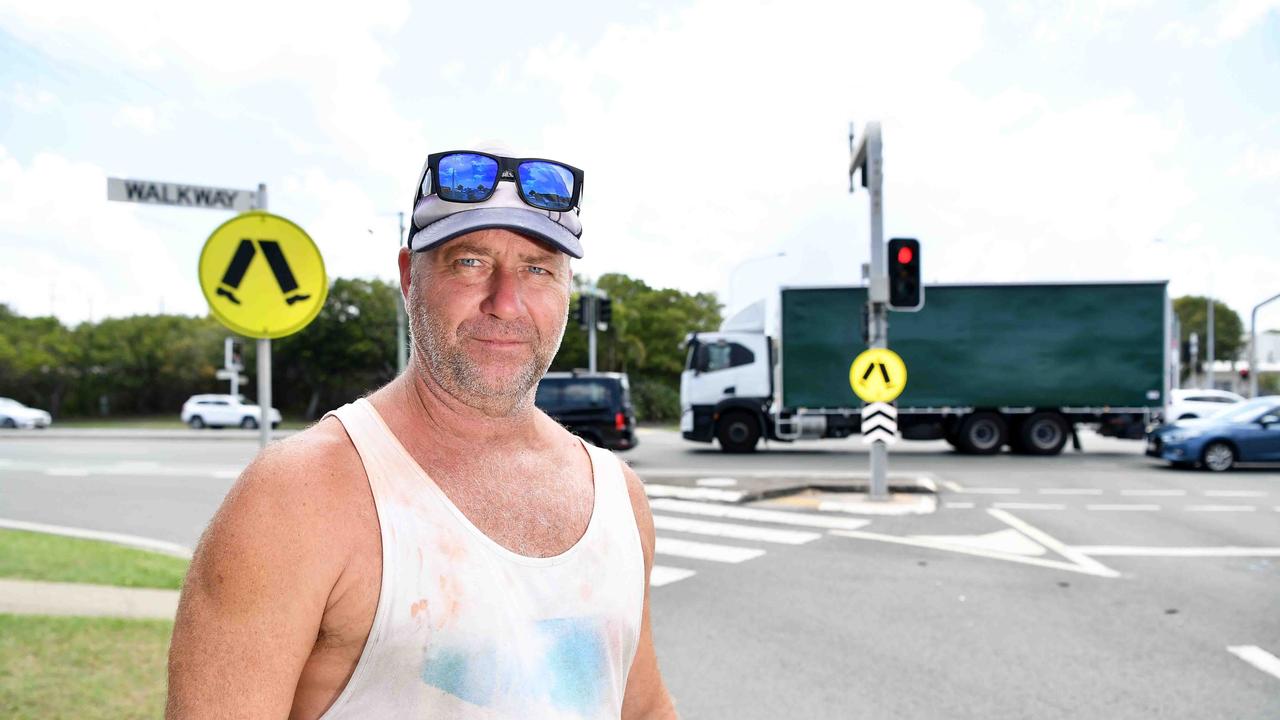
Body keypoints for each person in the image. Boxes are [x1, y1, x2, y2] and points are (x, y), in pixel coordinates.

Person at [167, 147, 678, 719]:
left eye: (537, 268)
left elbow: (643, 708)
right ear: (410, 277)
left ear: (566, 289)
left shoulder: (619, 497)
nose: (505, 302)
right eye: (471, 262)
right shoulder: (300, 496)